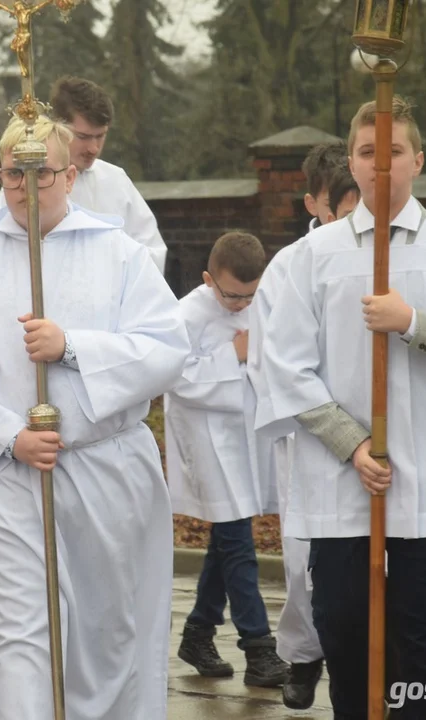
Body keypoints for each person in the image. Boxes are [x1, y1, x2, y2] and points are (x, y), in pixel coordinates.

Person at [0, 113, 190, 720]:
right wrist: (8, 436)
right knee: (20, 644)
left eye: (39, 172)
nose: (24, 185)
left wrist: (71, 348)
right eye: (13, 171)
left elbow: (169, 348)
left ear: (69, 175)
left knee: (107, 639)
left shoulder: (118, 253)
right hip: (9, 481)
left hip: (103, 473)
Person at [257, 96, 426, 719]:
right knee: (347, 634)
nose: (381, 164)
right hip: (340, 477)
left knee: (422, 643)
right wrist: (352, 444)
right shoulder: (312, 258)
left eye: (394, 151)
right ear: (352, 161)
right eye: (368, 151)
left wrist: (413, 323)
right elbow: (285, 367)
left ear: (418, 161)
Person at [246, 141, 356, 710]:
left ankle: (355, 658)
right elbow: (269, 359)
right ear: (315, 205)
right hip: (312, 436)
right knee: (305, 560)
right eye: (340, 211)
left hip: (376, 436)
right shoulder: (290, 267)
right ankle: (306, 652)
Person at [165, 231, 291, 689]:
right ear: (208, 279)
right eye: (230, 294)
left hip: (248, 435)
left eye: (248, 295)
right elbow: (176, 374)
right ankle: (259, 648)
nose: (239, 304)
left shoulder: (263, 303)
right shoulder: (185, 313)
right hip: (206, 439)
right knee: (238, 540)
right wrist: (232, 354)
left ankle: (198, 631)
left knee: (230, 534)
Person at [0, 76, 168, 275]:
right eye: (82, 137)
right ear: (57, 126)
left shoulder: (116, 180)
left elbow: (151, 252)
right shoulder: (22, 185)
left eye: (100, 136)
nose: (93, 148)